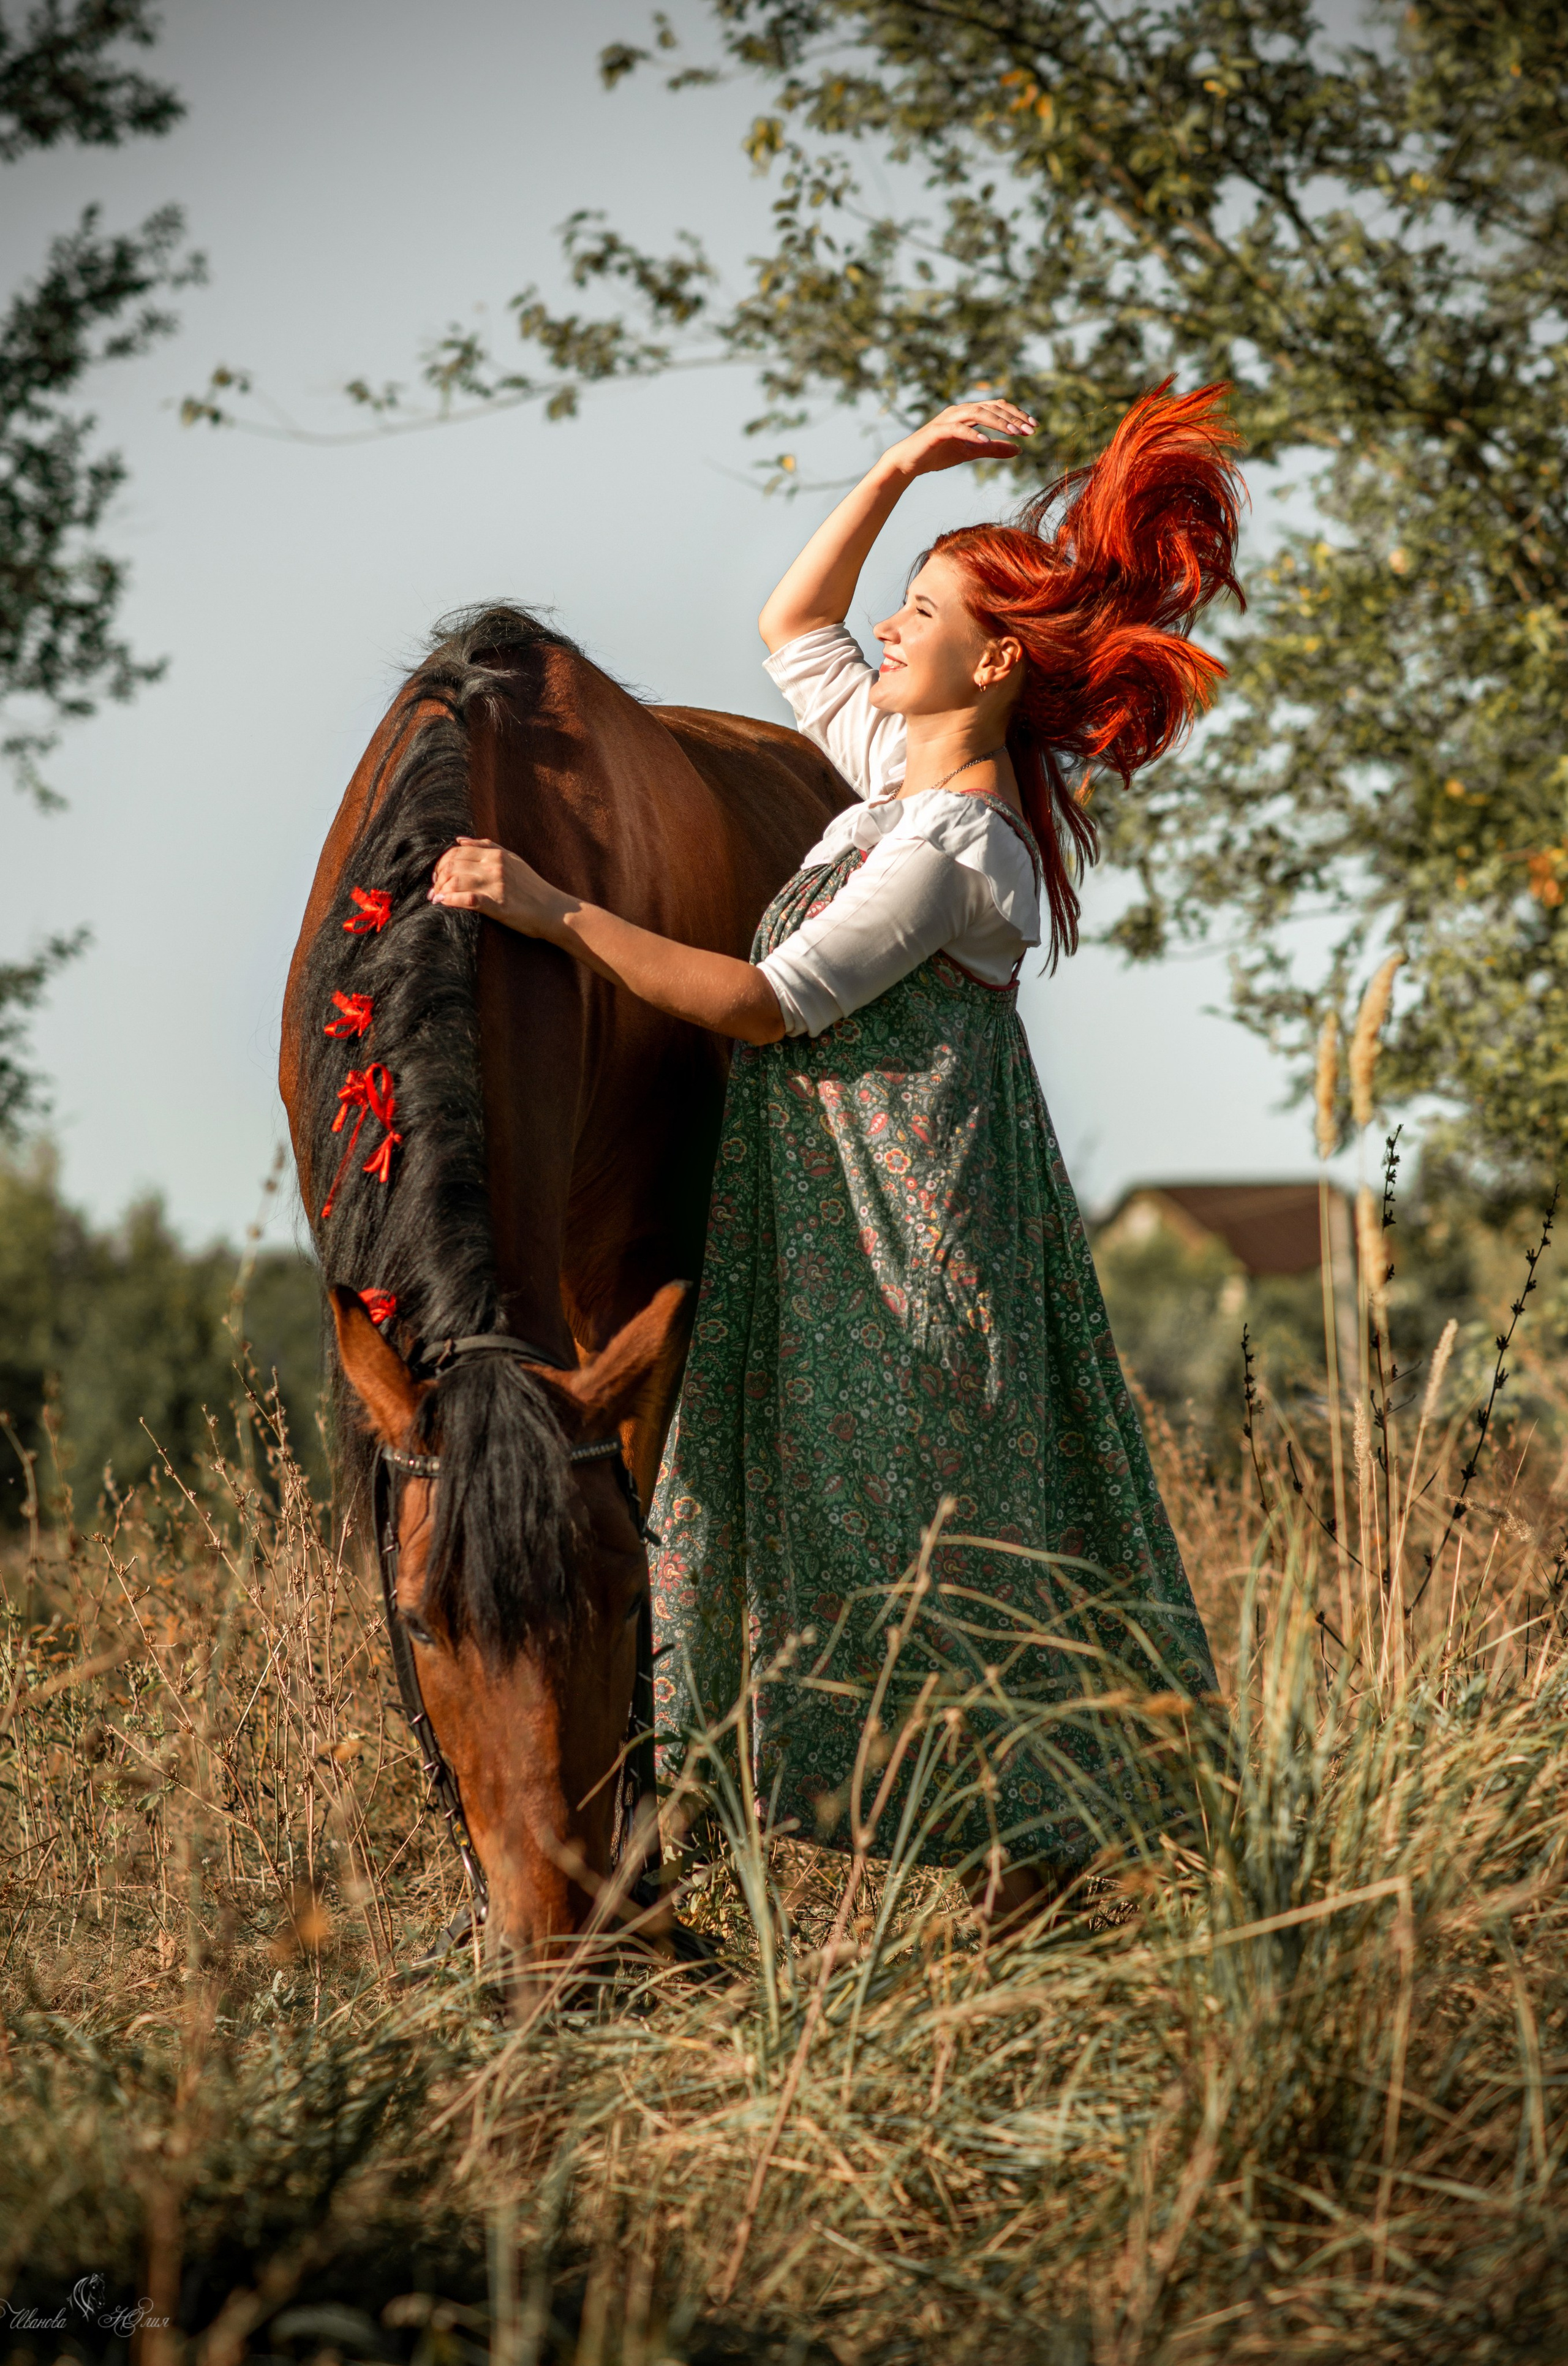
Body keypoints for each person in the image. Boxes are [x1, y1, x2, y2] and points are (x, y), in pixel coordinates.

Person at [431, 384, 1240, 1918]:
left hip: (913, 1239)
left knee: (936, 1558)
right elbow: (787, 622)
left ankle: (1038, 1883)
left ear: (990, 661)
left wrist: (553, 910)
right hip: (839, 1220)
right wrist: (895, 467)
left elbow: (756, 1002)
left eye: (919, 609)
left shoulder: (956, 846)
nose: (886, 626)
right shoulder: (892, 784)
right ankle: (962, 1881)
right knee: (844, 1543)